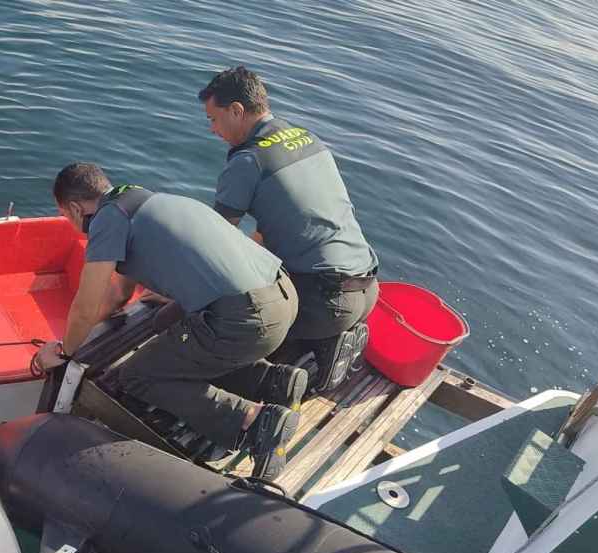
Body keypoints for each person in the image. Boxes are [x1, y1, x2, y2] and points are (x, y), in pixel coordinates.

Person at [33, 163, 308, 479]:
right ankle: (275, 382)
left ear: (74, 208)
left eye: (68, 217)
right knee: (165, 322)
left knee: (138, 375)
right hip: (283, 295)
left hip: (247, 318)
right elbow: (120, 296)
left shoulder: (106, 220)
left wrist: (63, 352)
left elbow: (86, 306)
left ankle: (254, 421)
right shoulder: (147, 200)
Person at [198, 66, 380, 382]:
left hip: (326, 302)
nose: (213, 130)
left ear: (237, 111)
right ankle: (326, 345)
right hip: (367, 288)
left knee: (221, 331)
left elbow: (217, 247)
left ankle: (293, 367)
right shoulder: (307, 138)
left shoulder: (247, 161)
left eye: (214, 119)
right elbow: (288, 221)